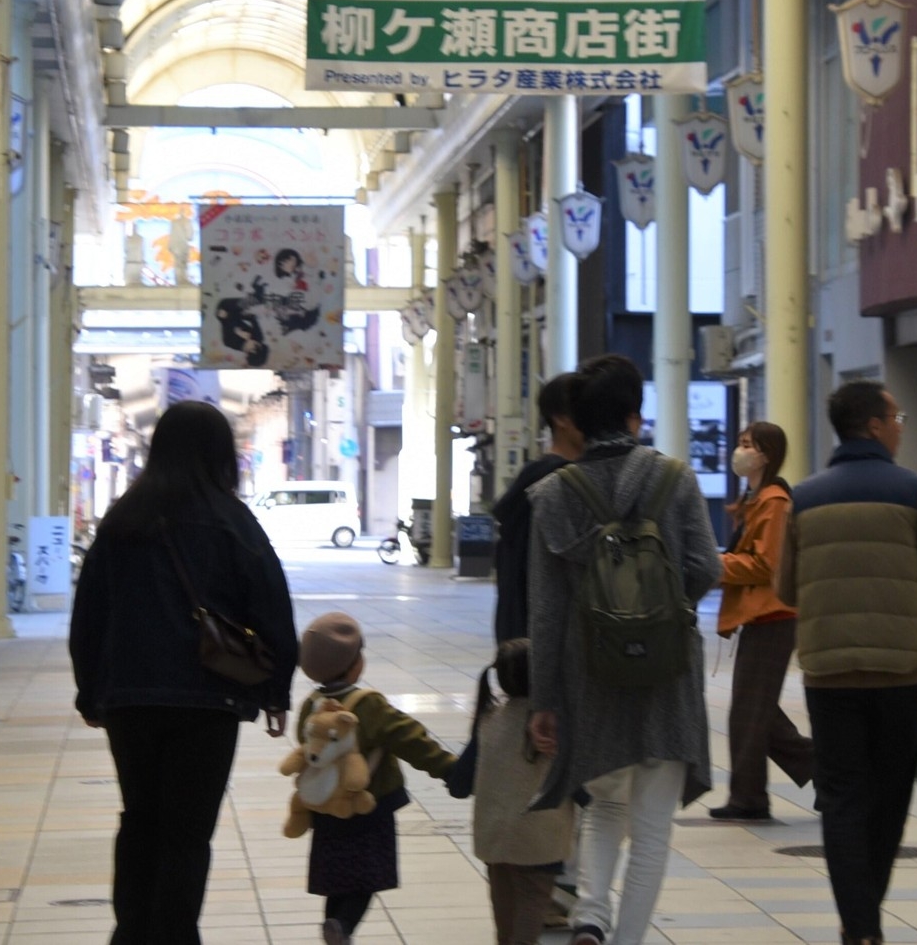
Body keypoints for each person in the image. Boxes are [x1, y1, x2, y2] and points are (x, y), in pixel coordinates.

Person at [69, 400, 299, 945]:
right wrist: (276, 688)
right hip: (208, 701)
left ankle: (130, 932)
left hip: (130, 699)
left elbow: (90, 613)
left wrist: (91, 692)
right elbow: (272, 606)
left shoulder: (124, 518)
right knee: (188, 833)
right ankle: (174, 935)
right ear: (222, 454)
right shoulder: (232, 520)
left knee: (140, 819)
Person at [526, 353, 722, 945]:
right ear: (636, 414)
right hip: (665, 673)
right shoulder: (675, 479)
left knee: (604, 806)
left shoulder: (553, 495)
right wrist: (662, 605)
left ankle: (590, 916)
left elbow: (546, 609)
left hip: (592, 675)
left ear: (578, 424)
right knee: (653, 827)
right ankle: (628, 938)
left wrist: (544, 699)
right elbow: (706, 567)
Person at [776, 380, 917, 945]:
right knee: (888, 798)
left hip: (830, 672)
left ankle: (858, 926)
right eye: (898, 416)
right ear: (877, 426)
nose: (903, 425)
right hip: (902, 673)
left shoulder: (804, 499)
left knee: (840, 799)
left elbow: (785, 588)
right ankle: (865, 922)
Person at [295, 611, 458, 945]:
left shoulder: (311, 706)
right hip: (370, 807)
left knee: (338, 876)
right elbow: (409, 738)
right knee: (365, 877)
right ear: (355, 664)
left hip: (327, 808)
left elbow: (305, 746)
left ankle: (333, 922)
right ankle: (343, 925)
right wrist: (448, 768)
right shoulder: (368, 705)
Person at [711, 421, 815, 822]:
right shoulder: (757, 498)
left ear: (766, 454)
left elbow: (766, 564)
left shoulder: (773, 502)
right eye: (739, 442)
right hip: (763, 615)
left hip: (773, 615)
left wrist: (715, 564)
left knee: (750, 711)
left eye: (748, 445)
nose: (740, 450)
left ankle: (749, 797)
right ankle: (821, 770)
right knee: (759, 712)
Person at [473, 637, 574, 945]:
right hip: (539, 837)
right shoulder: (552, 726)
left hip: (493, 835)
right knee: (532, 904)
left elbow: (460, 780)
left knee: (503, 909)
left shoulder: (488, 718)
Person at [493, 374, 583, 644]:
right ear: (562, 419)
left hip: (520, 634)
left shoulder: (534, 477)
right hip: (545, 639)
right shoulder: (557, 484)